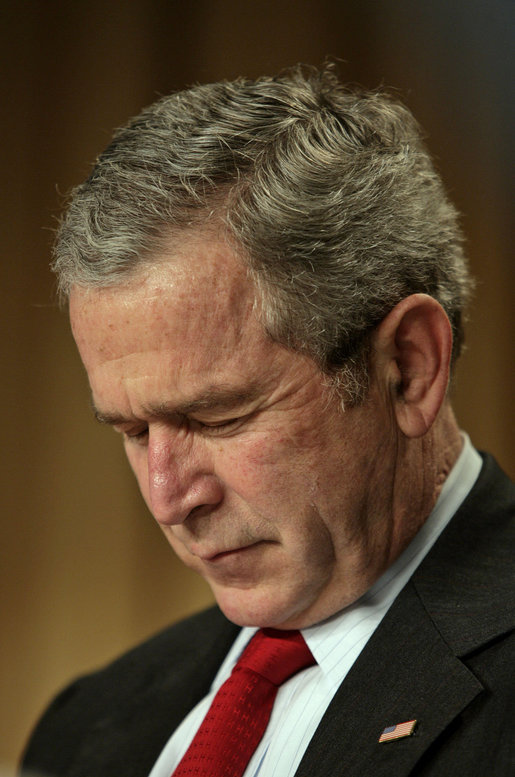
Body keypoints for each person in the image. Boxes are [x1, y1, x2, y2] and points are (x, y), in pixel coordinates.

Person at [21, 65, 513, 777]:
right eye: (132, 432)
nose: (167, 498)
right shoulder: (85, 725)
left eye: (217, 417)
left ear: (407, 369)